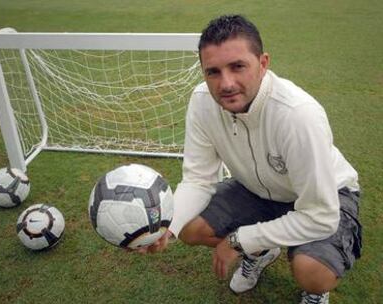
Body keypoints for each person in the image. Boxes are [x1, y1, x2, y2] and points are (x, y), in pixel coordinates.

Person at [144, 14, 362, 304]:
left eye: (237, 67)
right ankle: (262, 251)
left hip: (324, 195)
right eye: (213, 72)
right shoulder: (201, 103)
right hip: (255, 189)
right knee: (188, 226)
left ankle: (314, 290)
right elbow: (198, 179)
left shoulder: (297, 115)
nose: (226, 83)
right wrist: (167, 228)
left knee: (313, 270)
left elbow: (320, 216)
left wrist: (240, 240)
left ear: (263, 63)